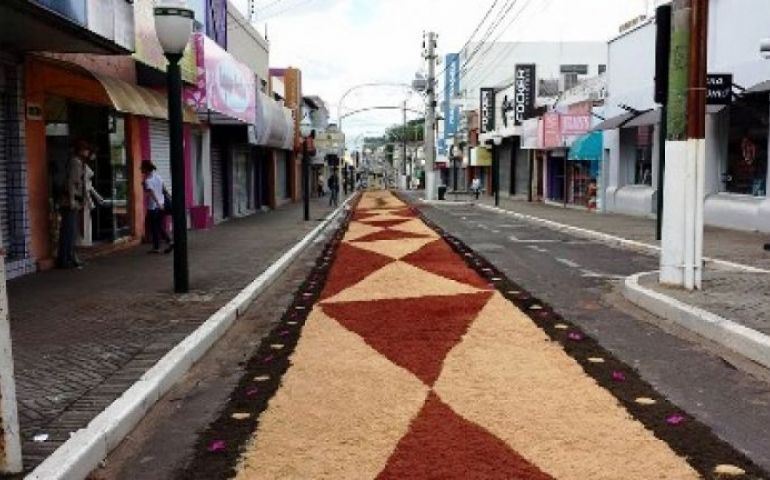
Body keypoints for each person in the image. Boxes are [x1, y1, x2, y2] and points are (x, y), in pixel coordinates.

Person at [57, 140, 90, 269]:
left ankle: (68, 257)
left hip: (73, 200)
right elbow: (72, 182)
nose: (88, 152)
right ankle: (65, 259)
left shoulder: (77, 162)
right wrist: (71, 200)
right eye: (86, 150)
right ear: (81, 150)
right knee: (68, 231)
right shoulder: (75, 162)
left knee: (70, 230)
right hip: (70, 201)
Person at [141, 160, 173, 254]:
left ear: (146, 169)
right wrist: (167, 200)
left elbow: (151, 193)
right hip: (161, 205)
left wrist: (158, 203)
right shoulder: (158, 177)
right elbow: (164, 189)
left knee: (154, 226)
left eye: (142, 168)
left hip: (154, 207)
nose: (141, 170)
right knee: (158, 226)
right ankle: (169, 241)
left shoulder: (148, 180)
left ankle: (157, 247)